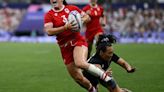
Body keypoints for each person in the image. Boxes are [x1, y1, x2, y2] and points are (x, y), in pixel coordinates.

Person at [44, 0, 113, 91]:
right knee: (77, 77)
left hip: (77, 41)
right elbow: (49, 31)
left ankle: (104, 76)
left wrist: (80, 20)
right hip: (64, 47)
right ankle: (92, 89)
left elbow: (87, 17)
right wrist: (65, 27)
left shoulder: (72, 9)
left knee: (80, 63)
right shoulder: (49, 15)